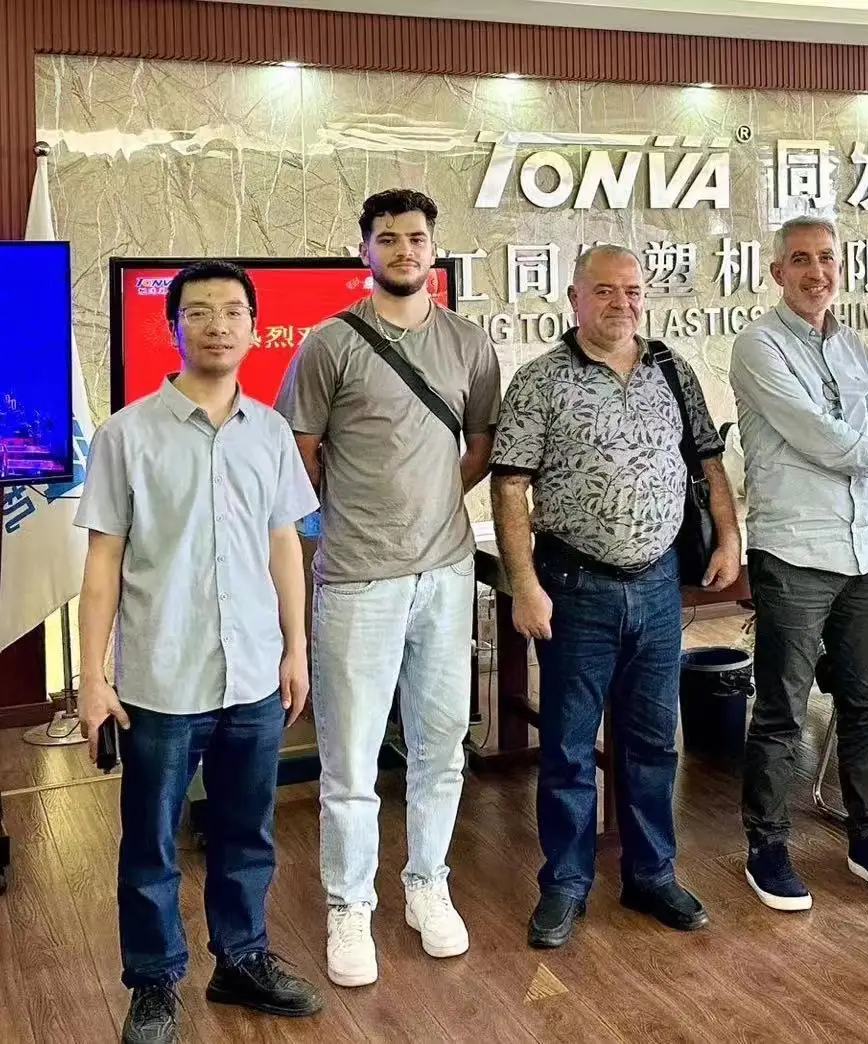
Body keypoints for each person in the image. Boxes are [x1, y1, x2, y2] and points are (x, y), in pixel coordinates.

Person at [74, 260, 323, 1044]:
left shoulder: (272, 432)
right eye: (200, 311)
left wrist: (296, 648)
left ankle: (240, 960)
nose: (218, 325)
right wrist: (91, 677)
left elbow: (284, 545)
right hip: (162, 678)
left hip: (253, 673)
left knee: (247, 833)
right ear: (173, 326)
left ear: (255, 327)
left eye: (233, 311)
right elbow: (103, 564)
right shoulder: (126, 435)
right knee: (151, 843)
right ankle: (154, 984)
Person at [275, 189, 502, 985]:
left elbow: (479, 447)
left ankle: (427, 885)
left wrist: (432, 502)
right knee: (351, 759)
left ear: (434, 249)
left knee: (442, 747)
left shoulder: (469, 344)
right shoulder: (329, 344)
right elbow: (300, 453)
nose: (404, 250)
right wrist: (351, 515)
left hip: (446, 573)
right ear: (363, 250)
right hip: (357, 581)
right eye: (388, 238)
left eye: (416, 238)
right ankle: (349, 907)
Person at [490, 244, 742, 949]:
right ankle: (566, 884)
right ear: (574, 298)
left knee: (653, 742)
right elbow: (509, 487)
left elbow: (709, 462)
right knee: (570, 747)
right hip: (574, 587)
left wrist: (729, 537)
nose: (622, 303)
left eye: (632, 291)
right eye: (604, 290)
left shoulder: (672, 370)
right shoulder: (541, 380)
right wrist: (523, 585)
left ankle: (651, 874)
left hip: (658, 587)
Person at [729, 216, 868, 912]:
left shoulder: (852, 346)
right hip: (793, 550)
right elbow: (820, 438)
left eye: (826, 258)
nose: (815, 272)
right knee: (783, 711)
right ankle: (767, 847)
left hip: (859, 555)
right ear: (777, 273)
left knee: (864, 707)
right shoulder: (758, 346)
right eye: (800, 260)